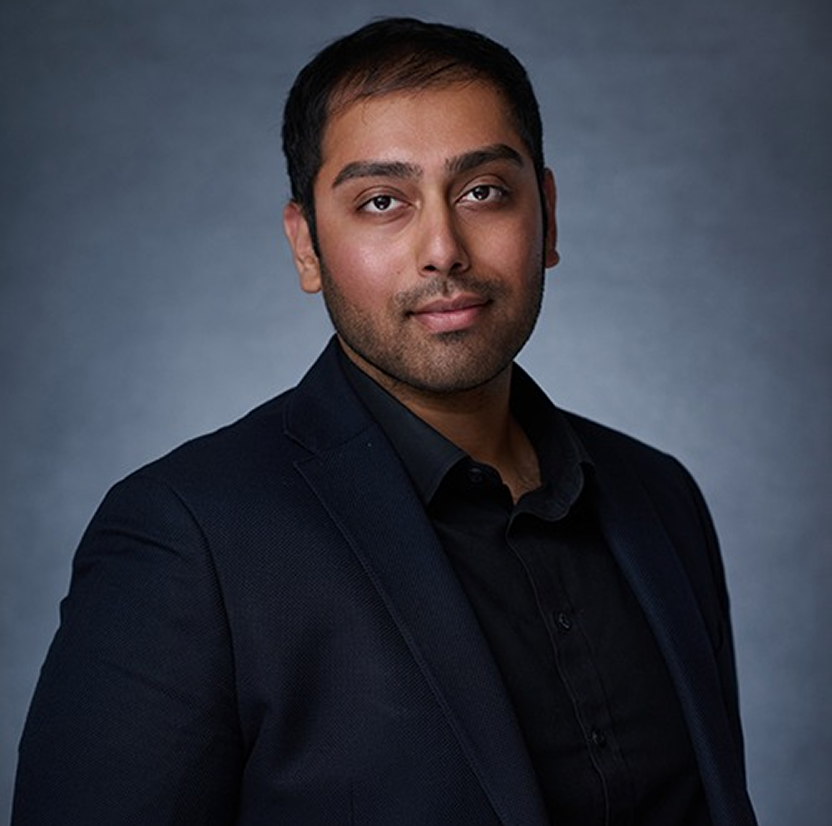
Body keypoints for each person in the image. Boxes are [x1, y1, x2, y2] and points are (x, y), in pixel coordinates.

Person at [12, 17, 758, 826]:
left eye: (483, 192)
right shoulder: (188, 538)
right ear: (307, 247)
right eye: (381, 202)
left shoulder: (660, 497)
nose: (443, 249)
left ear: (545, 213)